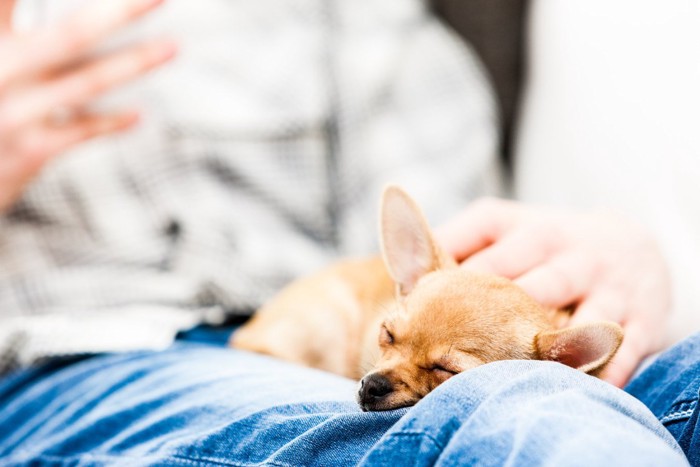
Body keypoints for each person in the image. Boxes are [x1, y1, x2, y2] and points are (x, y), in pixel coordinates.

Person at [0, 0, 696, 465]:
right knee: (529, 421)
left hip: (349, 347)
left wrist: (618, 251)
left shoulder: (369, 25)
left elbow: (454, 276)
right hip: (82, 356)